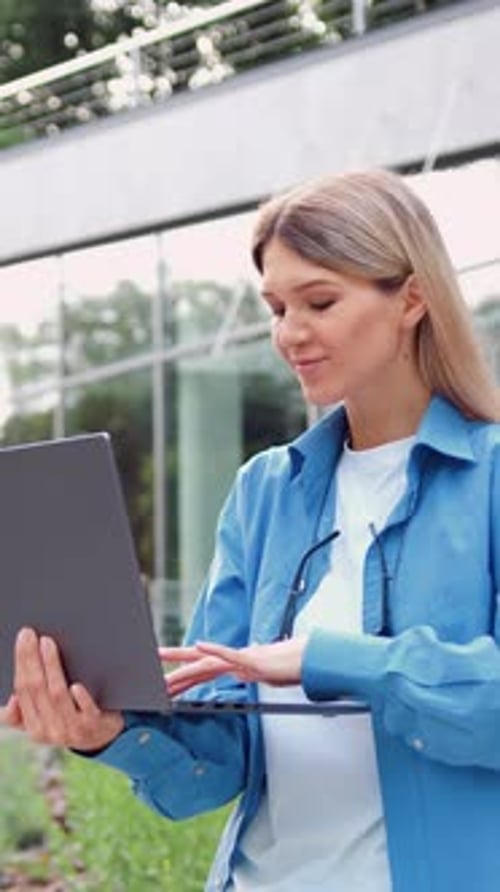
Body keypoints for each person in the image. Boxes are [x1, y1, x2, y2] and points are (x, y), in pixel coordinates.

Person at [2, 168, 500, 892]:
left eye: (320, 301)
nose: (289, 334)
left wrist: (327, 658)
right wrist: (106, 732)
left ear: (412, 300)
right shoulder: (267, 490)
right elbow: (218, 761)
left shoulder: (489, 479)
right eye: (275, 307)